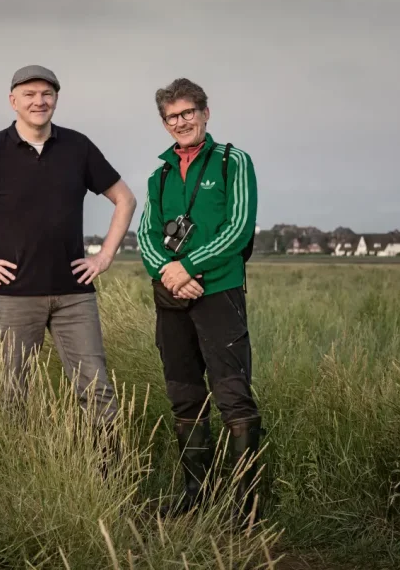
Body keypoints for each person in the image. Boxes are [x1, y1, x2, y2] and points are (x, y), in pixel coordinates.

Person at [0, 64, 137, 457]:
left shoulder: (79, 147)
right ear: (13, 101)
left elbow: (124, 199)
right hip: (14, 295)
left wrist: (105, 255)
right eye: (29, 94)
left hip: (75, 294)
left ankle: (112, 479)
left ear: (56, 99)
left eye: (47, 94)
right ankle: (13, 473)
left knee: (97, 389)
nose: (39, 101)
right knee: (12, 389)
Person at [135, 77, 262, 525]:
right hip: (172, 298)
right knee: (185, 396)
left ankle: (247, 507)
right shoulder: (160, 174)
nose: (181, 122)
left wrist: (189, 267)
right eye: (172, 116)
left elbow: (240, 227)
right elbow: (146, 236)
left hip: (220, 293)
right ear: (164, 123)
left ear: (205, 113)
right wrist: (170, 274)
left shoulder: (232, 161)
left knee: (233, 395)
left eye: (188, 112)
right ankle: (197, 495)